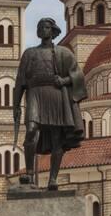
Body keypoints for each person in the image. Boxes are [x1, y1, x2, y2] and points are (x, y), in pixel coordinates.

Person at [13, 17, 87, 190]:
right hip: (35, 93)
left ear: (52, 31)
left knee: (57, 138)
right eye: (40, 27)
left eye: (46, 27)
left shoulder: (63, 53)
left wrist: (64, 80)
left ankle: (53, 179)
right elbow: (20, 81)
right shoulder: (29, 53)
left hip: (55, 94)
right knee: (31, 131)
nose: (42, 30)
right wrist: (16, 105)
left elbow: (78, 76)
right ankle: (30, 176)